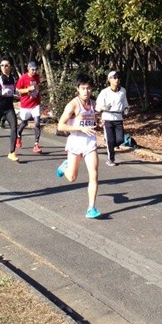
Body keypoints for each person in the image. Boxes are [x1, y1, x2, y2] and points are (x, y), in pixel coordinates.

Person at [56, 73, 100, 219]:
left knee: (93, 174)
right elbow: (60, 126)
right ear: (77, 89)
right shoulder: (73, 105)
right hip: (75, 143)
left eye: (88, 88)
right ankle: (64, 166)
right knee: (72, 177)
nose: (86, 91)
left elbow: (94, 123)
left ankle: (91, 208)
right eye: (83, 88)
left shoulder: (94, 104)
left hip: (90, 143)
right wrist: (80, 129)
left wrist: (100, 124)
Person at [96, 70, 129, 167]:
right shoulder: (104, 92)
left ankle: (110, 144)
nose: (117, 79)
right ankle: (110, 159)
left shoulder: (123, 91)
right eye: (114, 78)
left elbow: (125, 103)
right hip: (107, 118)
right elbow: (98, 106)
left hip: (118, 118)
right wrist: (104, 108)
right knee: (111, 140)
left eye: (118, 77)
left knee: (120, 139)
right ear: (109, 80)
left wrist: (126, 109)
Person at [15, 61, 42, 153]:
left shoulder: (37, 77)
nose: (34, 71)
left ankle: (36, 144)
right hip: (26, 105)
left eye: (35, 69)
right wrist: (27, 89)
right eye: (32, 70)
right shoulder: (23, 78)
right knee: (24, 123)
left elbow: (38, 86)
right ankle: (18, 136)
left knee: (37, 123)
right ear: (28, 69)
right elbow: (17, 90)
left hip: (35, 104)